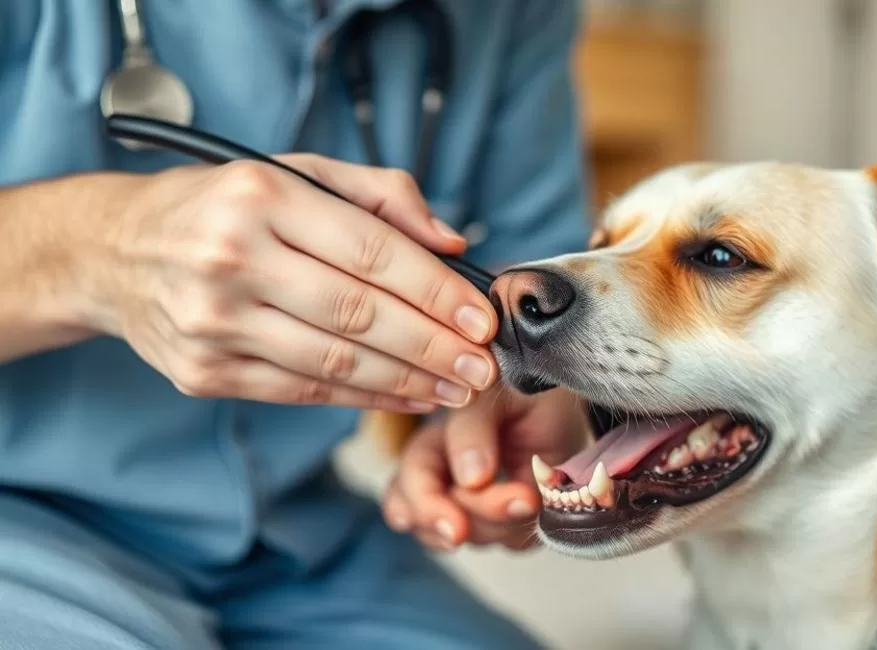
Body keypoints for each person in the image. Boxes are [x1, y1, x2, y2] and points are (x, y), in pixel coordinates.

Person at [0, 1, 591, 648]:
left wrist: (520, 395)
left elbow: (531, 265)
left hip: (303, 538)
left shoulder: (511, 14)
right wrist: (97, 249)